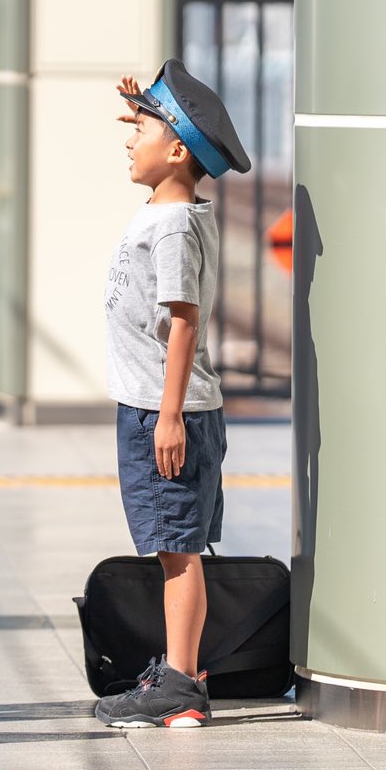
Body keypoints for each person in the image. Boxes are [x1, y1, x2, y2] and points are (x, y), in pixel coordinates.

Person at [93, 59, 252, 728]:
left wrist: (167, 418)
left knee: (178, 554)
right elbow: (163, 142)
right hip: (160, 407)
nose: (130, 140)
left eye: (143, 131)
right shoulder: (169, 208)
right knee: (173, 548)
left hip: (166, 413)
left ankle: (181, 687)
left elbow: (182, 322)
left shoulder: (175, 227)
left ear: (179, 152)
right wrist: (147, 109)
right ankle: (177, 674)